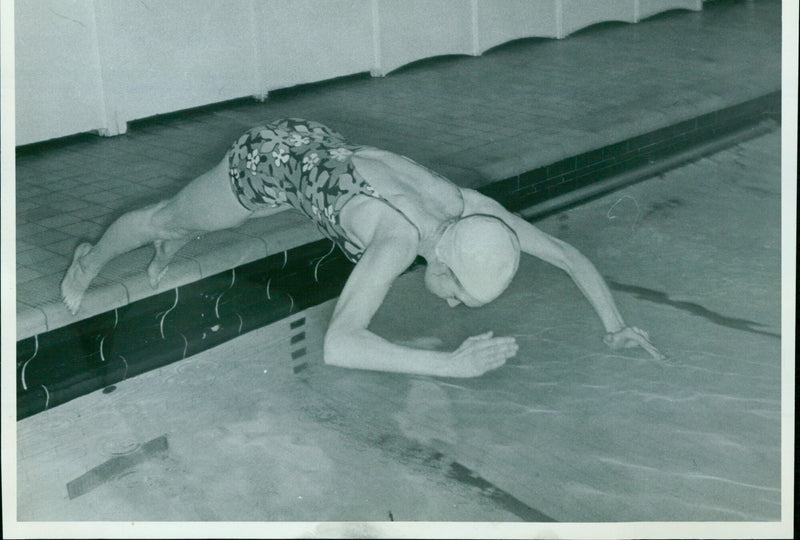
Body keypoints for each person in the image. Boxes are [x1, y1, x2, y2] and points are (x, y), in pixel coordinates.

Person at [61, 118, 662, 377]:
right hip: (269, 163)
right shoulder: (398, 242)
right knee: (165, 219)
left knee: (196, 222)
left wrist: (614, 326)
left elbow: (562, 253)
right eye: (456, 294)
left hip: (318, 153)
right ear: (445, 262)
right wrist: (449, 365)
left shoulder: (474, 212)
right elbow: (340, 346)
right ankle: (92, 258)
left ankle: (181, 236)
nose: (449, 306)